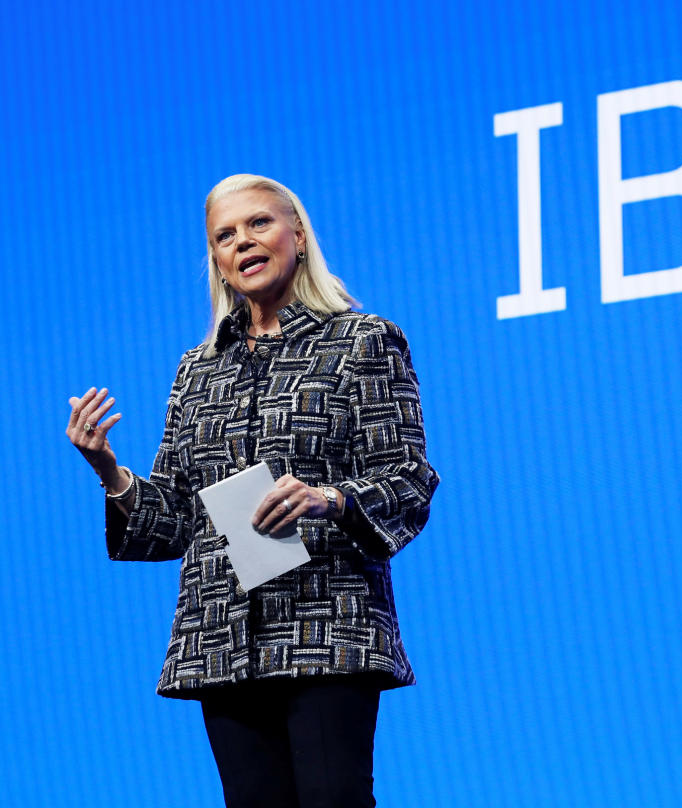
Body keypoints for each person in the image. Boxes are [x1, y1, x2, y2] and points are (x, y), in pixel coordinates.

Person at [66, 174, 439, 808]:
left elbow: (408, 477)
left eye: (259, 224)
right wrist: (108, 470)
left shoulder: (362, 342)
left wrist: (330, 499)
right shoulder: (199, 366)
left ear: (297, 233)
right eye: (225, 235)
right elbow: (177, 519)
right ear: (215, 258)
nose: (244, 242)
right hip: (221, 637)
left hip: (326, 622)